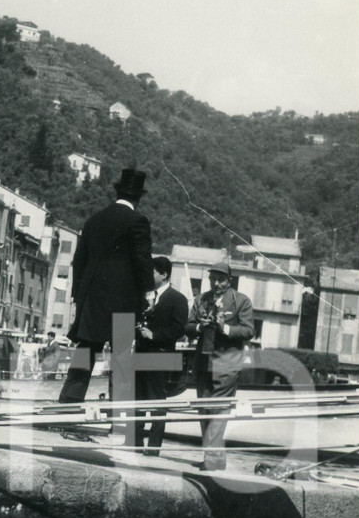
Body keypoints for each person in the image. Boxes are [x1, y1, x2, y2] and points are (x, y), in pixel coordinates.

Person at [58, 168, 153, 439]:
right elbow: (142, 261)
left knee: (84, 356)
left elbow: (79, 261)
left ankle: (65, 415)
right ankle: (120, 424)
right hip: (122, 304)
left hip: (91, 302)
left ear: (118, 192)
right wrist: (148, 293)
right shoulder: (138, 221)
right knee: (121, 361)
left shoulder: (94, 220)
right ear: (138, 198)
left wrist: (79, 297)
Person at [186, 256, 255, 471]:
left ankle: (212, 460)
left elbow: (249, 331)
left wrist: (224, 328)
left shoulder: (241, 301)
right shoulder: (201, 300)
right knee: (204, 410)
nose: (216, 284)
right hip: (203, 363)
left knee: (217, 411)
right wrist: (199, 327)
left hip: (227, 365)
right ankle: (214, 459)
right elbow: (188, 326)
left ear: (229, 281)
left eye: (221, 280)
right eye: (213, 279)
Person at [131, 256, 189, 456]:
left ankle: (154, 446)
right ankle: (136, 443)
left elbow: (178, 329)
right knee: (137, 401)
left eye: (152, 272)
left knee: (157, 402)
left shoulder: (178, 299)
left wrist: (154, 335)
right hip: (141, 354)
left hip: (162, 355)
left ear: (164, 274)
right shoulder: (144, 296)